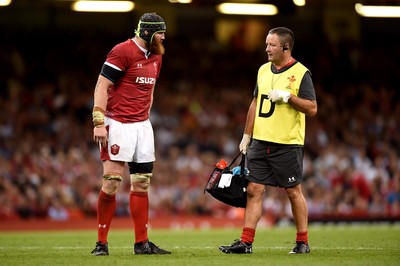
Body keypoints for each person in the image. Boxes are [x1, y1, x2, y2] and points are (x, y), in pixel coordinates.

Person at [219, 27, 317, 255]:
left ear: (285, 47)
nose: (267, 49)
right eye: (266, 44)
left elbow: (312, 108)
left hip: (287, 143)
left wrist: (288, 97)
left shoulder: (302, 73)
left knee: (293, 191)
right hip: (260, 142)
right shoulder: (263, 70)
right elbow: (255, 103)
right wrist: (246, 135)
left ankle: (302, 242)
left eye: (271, 45)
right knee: (253, 189)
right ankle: (246, 242)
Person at [90, 12, 171, 256]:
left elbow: (151, 90)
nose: (164, 37)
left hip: (142, 126)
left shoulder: (157, 56)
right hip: (118, 124)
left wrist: (144, 122)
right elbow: (102, 85)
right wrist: (98, 121)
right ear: (147, 32)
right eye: (160, 32)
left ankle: (141, 243)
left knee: (142, 183)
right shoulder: (122, 51)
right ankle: (101, 243)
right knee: (112, 182)